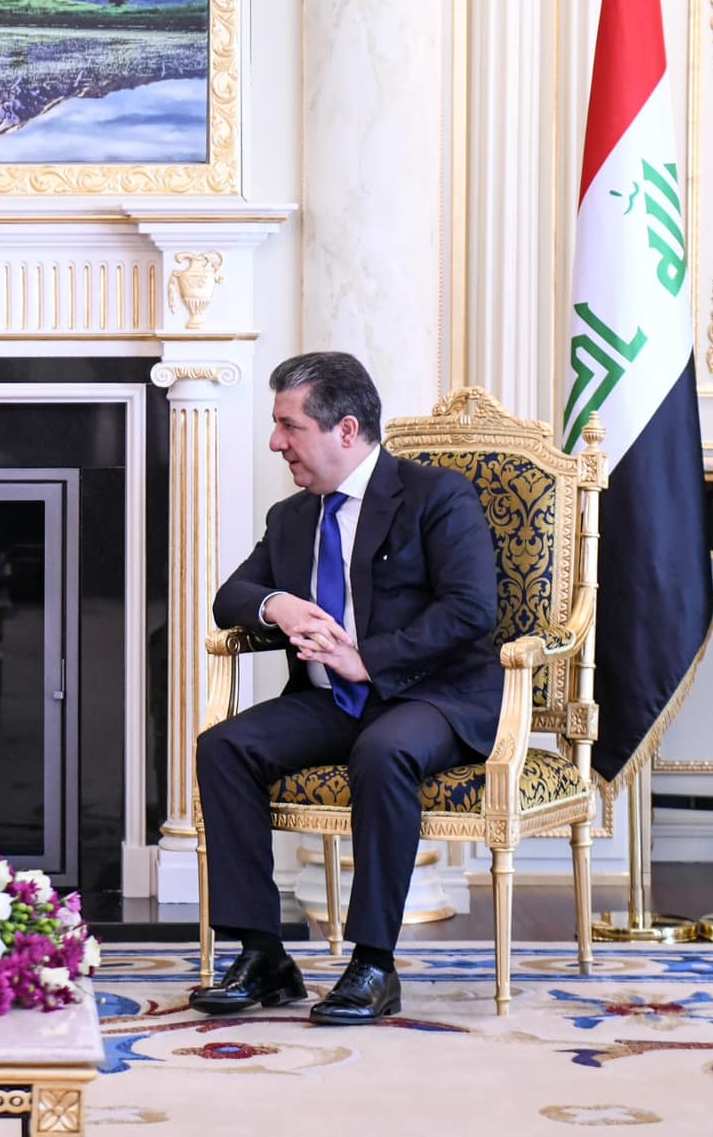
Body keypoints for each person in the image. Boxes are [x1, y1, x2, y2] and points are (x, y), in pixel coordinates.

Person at [191, 352, 500, 1024]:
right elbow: (229, 598)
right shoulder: (292, 517)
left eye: (289, 426)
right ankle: (264, 955)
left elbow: (471, 609)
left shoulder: (436, 496)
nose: (276, 443)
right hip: (330, 703)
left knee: (384, 751)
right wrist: (277, 604)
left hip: (432, 697)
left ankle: (373, 964)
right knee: (224, 746)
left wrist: (369, 659)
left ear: (346, 429)